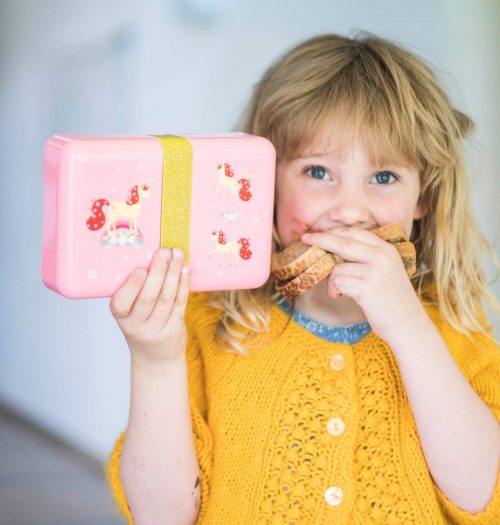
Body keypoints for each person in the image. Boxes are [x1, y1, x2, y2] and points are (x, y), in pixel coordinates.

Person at [105, 33, 500, 524]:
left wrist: (411, 329)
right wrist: (155, 360)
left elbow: (483, 495)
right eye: (317, 171)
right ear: (264, 183)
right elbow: (161, 516)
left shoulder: (457, 334)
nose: (350, 210)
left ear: (423, 198)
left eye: (383, 177)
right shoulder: (207, 327)